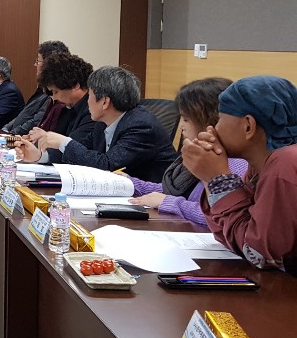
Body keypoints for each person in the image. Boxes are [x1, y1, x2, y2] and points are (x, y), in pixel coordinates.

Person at [183, 75, 297, 272]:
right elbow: (232, 235)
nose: (213, 129)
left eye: (219, 119)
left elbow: (258, 254)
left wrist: (218, 180)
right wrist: (210, 179)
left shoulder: (285, 162)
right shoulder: (258, 166)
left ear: (248, 126)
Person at [125, 78, 248, 229]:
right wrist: (130, 184)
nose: (181, 126)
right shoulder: (203, 154)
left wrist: (169, 203)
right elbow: (172, 193)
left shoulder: (236, 165)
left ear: (211, 120)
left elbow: (218, 217)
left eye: (186, 119)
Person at [18, 65, 177, 182]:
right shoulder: (104, 122)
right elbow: (84, 153)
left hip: (153, 204)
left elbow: (107, 165)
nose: (87, 101)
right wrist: (41, 156)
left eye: (90, 96)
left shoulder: (140, 126)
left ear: (105, 102)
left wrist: (64, 142)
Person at [14, 53, 96, 164]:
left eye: (56, 91)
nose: (55, 97)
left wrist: (46, 137)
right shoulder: (67, 106)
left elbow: (74, 147)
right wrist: (38, 142)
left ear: (75, 86)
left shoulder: (93, 111)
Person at [3, 40, 70, 135]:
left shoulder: (53, 94)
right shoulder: (41, 89)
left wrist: (11, 134)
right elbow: (24, 114)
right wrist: (6, 128)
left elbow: (36, 121)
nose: (35, 64)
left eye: (38, 61)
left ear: (48, 64)